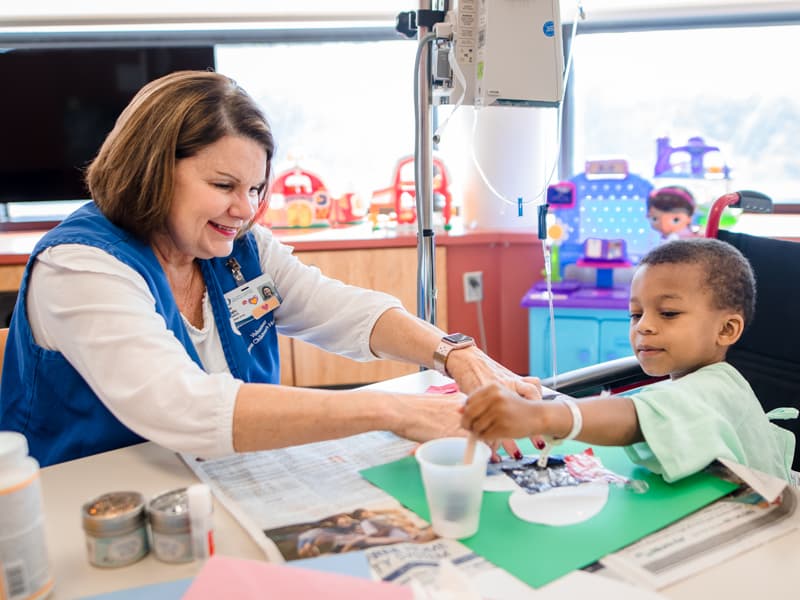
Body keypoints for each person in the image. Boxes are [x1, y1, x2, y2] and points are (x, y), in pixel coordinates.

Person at [0, 71, 539, 467]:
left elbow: (341, 311)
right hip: (92, 508)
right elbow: (183, 406)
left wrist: (455, 353)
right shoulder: (80, 266)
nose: (246, 209)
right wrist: (392, 410)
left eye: (256, 187)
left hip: (217, 485)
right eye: (223, 186)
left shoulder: (238, 249)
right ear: (151, 170)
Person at [461, 238, 796, 483]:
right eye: (636, 313)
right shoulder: (694, 379)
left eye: (668, 313)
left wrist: (542, 415)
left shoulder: (715, 388)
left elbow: (635, 417)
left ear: (726, 329)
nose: (644, 326)